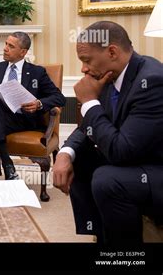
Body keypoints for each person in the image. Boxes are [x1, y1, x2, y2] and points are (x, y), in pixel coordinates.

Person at [53, 21, 163, 244]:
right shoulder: (110, 76)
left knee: (107, 179)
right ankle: (101, 235)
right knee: (81, 157)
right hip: (137, 158)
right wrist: (65, 153)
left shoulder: (151, 81)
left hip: (156, 168)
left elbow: (121, 151)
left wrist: (90, 102)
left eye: (86, 60)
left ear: (112, 51)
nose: (83, 69)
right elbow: (88, 129)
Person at [0, 32, 66, 181]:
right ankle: (7, 165)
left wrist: (39, 104)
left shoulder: (37, 72)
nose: (5, 48)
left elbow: (59, 98)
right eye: (5, 44)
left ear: (23, 52)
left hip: (22, 120)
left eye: (11, 46)